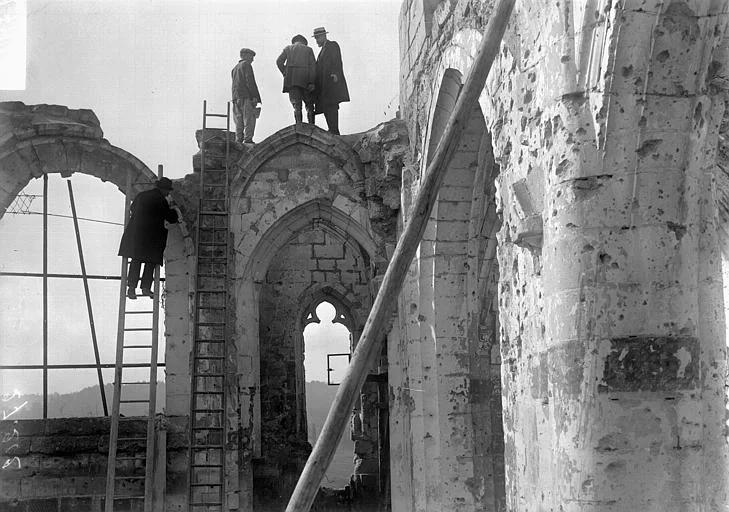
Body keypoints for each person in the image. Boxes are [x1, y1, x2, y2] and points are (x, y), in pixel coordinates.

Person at [118, 178, 179, 299]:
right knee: (150, 262)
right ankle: (145, 288)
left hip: (137, 235)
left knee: (136, 260)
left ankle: (131, 288)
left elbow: (132, 208)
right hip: (152, 238)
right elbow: (171, 217)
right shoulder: (161, 200)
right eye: (167, 190)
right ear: (163, 189)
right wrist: (174, 209)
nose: (168, 193)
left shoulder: (141, 196)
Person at [312, 27, 350, 135]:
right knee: (327, 106)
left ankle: (334, 130)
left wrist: (335, 73)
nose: (316, 41)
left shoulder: (332, 45)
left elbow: (336, 60)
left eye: (317, 38)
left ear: (323, 36)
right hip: (324, 85)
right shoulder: (322, 50)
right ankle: (332, 129)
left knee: (331, 106)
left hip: (330, 83)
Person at [276, 34, 317, 125]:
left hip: (292, 81)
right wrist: (312, 82)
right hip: (306, 81)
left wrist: (285, 73)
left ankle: (299, 125)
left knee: (297, 106)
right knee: (309, 105)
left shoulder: (288, 48)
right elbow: (313, 67)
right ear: (304, 42)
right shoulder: (308, 49)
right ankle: (311, 126)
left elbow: (279, 61)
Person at [231, 48, 261, 144]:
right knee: (249, 119)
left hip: (236, 98)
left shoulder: (234, 68)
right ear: (244, 55)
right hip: (246, 97)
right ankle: (248, 139)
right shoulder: (246, 65)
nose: (252, 59)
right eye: (251, 56)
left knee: (238, 120)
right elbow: (250, 82)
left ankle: (238, 140)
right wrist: (254, 97)